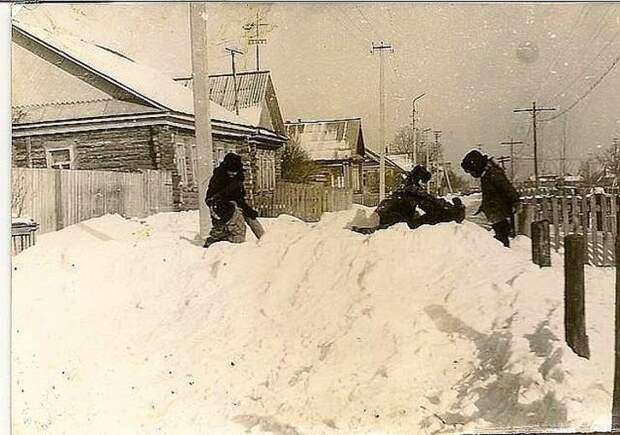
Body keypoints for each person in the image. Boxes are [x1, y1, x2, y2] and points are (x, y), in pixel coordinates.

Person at [352, 165, 465, 233]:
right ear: (419, 179)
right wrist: (450, 210)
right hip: (393, 217)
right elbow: (430, 200)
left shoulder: (406, 184)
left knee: (419, 217)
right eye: (424, 182)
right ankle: (370, 231)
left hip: (388, 214)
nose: (425, 185)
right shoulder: (412, 188)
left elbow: (428, 202)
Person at [461, 149, 520, 247]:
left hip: (500, 212)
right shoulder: (487, 173)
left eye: (471, 171)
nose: (472, 174)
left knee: (502, 237)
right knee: (499, 237)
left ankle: (504, 253)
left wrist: (515, 201)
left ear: (476, 166)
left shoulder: (493, 174)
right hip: (496, 212)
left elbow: (507, 188)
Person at [204, 153, 261, 247]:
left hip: (234, 206)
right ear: (226, 169)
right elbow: (210, 199)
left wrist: (248, 210)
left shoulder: (238, 179)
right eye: (231, 171)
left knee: (251, 218)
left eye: (235, 171)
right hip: (221, 208)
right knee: (237, 233)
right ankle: (226, 248)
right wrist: (225, 207)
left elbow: (239, 198)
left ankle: (266, 241)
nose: (233, 174)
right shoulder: (218, 178)